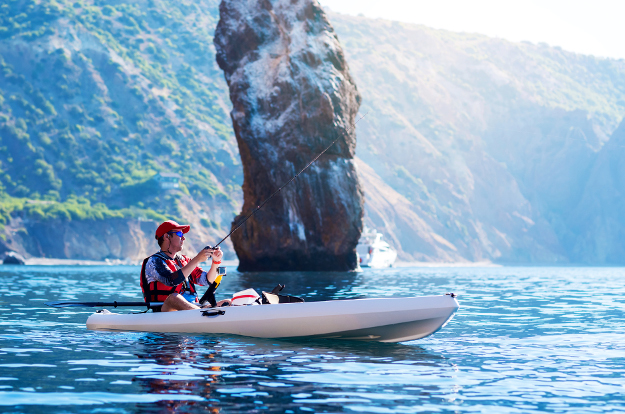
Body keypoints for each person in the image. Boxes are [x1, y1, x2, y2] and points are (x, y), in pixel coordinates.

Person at [140, 220, 229, 312]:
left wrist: (216, 261)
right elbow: (171, 280)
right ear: (167, 236)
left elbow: (207, 280)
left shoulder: (185, 261)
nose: (183, 238)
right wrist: (197, 259)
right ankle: (202, 313)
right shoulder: (154, 261)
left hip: (192, 307)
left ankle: (201, 312)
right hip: (164, 310)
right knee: (174, 298)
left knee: (228, 302)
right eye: (179, 234)